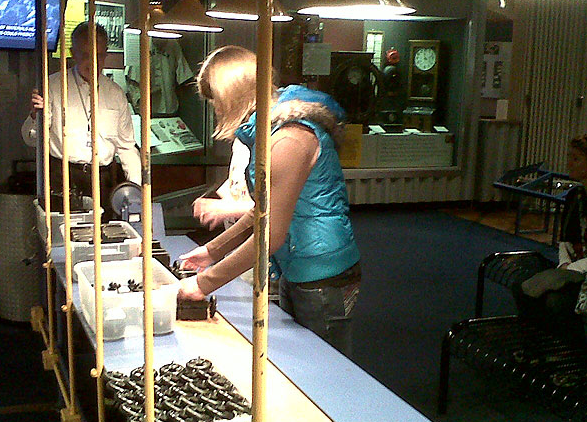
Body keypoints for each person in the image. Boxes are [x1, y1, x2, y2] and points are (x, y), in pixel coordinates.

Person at [177, 45, 362, 356]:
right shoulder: (271, 133)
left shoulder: (289, 140)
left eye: (218, 103)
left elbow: (270, 235)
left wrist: (205, 283)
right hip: (299, 267)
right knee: (303, 364)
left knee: (325, 369)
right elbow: (263, 212)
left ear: (232, 95)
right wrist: (212, 251)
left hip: (323, 274)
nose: (218, 112)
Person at [514, 132, 587, 346]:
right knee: (522, 287)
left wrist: (573, 269)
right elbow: (565, 241)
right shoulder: (575, 196)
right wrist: (564, 265)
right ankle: (541, 346)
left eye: (576, 158)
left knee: (556, 301)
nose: (569, 163)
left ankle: (571, 355)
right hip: (578, 270)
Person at [25, 21, 141, 215]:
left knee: (102, 239)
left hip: (102, 180)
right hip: (62, 178)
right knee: (65, 240)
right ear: (72, 53)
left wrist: (137, 190)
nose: (93, 62)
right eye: (86, 55)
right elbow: (31, 140)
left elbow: (127, 147)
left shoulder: (115, 93)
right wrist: (35, 117)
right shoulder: (53, 86)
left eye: (99, 55)